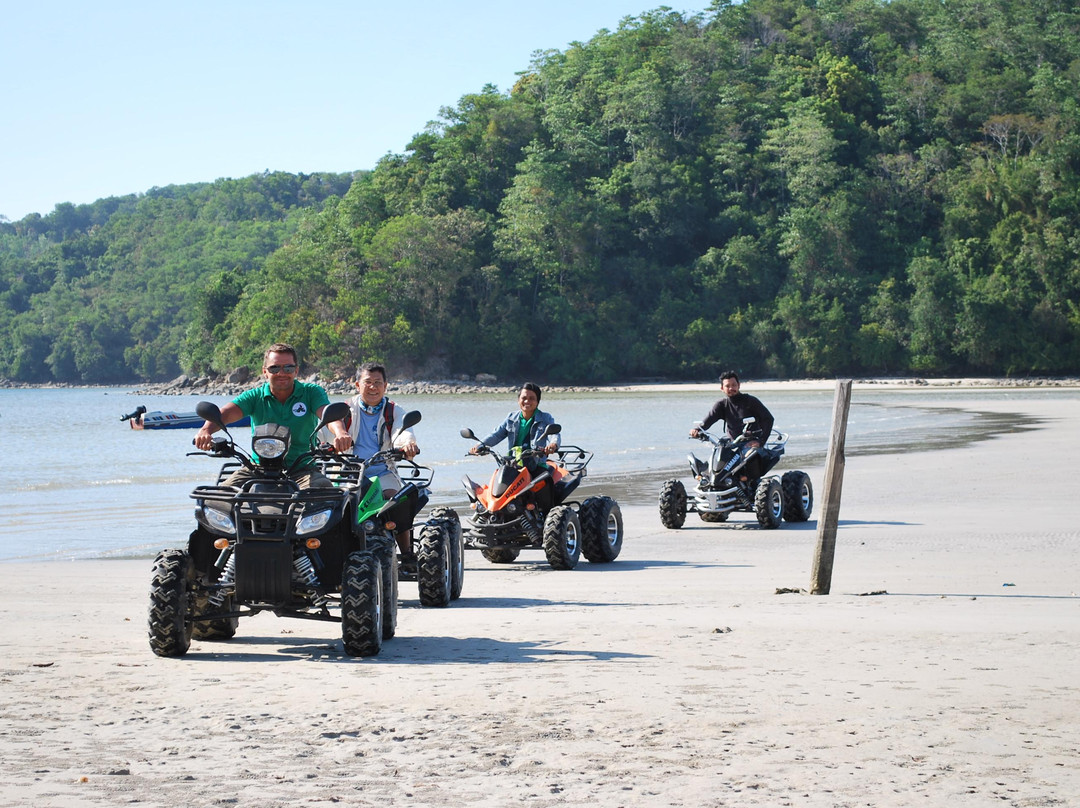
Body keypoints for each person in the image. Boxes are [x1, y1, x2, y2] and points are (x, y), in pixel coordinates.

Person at [193, 343, 353, 489]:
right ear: (265, 372)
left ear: (296, 370)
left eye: (288, 368)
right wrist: (206, 430)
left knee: (323, 494)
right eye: (274, 368)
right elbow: (225, 414)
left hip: (302, 469)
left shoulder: (311, 392)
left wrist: (340, 433)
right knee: (219, 498)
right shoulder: (254, 396)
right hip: (257, 468)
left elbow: (327, 413)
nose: (281, 373)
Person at [344, 362, 421, 561]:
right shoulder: (345, 409)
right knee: (336, 505)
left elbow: (402, 431)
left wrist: (408, 444)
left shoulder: (393, 410)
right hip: (350, 471)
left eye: (378, 382)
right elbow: (328, 432)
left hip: (382, 470)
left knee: (396, 500)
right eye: (367, 382)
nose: (373, 387)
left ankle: (406, 553)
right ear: (356, 385)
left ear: (386, 385)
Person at [470, 383, 561, 509]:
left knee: (545, 482)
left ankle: (547, 515)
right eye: (524, 398)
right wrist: (481, 445)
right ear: (519, 400)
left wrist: (553, 444)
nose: (527, 401)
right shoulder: (511, 418)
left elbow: (554, 434)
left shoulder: (545, 418)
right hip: (514, 463)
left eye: (532, 398)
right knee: (497, 485)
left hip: (536, 463)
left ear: (537, 402)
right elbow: (496, 434)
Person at [690, 370, 775, 480]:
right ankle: (709, 482)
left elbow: (768, 419)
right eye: (727, 386)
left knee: (750, 457)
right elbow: (708, 420)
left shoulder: (750, 401)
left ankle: (752, 484)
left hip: (750, 443)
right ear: (722, 388)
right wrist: (697, 430)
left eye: (734, 385)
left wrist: (761, 441)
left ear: (739, 385)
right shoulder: (722, 405)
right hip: (732, 444)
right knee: (716, 459)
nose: (731, 388)